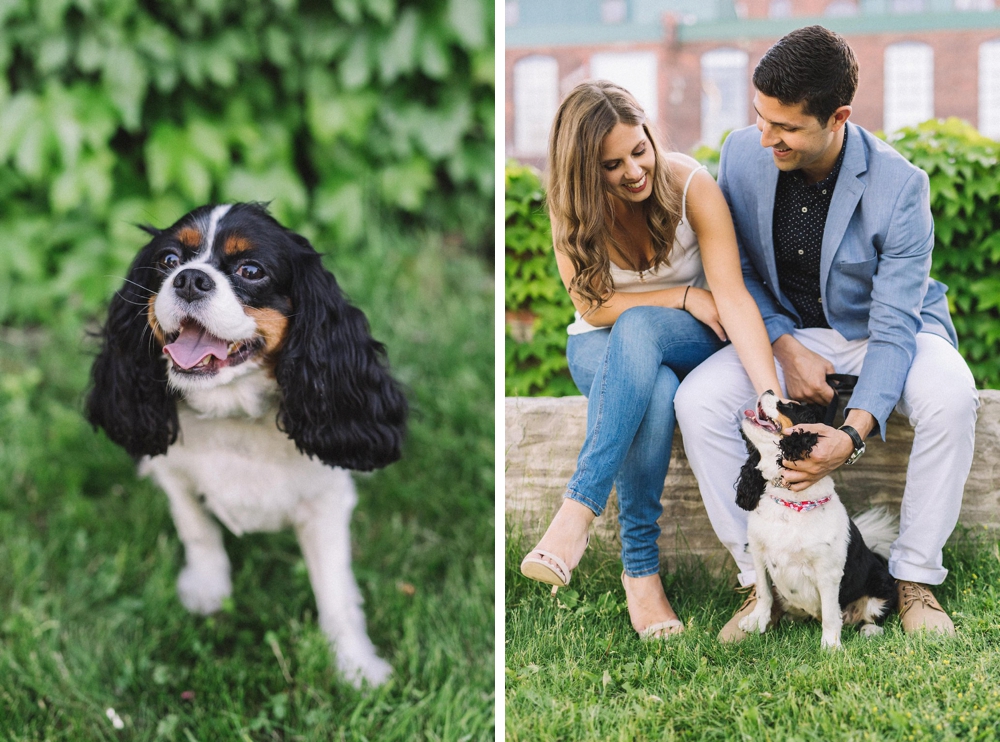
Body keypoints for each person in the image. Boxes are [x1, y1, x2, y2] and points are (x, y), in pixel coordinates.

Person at [674, 26, 979, 642]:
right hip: (786, 333)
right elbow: (740, 274)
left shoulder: (901, 187)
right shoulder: (740, 154)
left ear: (838, 117)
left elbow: (895, 327)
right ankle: (757, 585)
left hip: (884, 332)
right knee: (697, 400)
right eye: (761, 118)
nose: (766, 138)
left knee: (951, 398)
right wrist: (784, 346)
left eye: (785, 128)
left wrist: (852, 436)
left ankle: (915, 577)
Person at [518, 81, 783, 640]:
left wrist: (768, 395)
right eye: (612, 165)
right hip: (599, 341)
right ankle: (641, 576)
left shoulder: (690, 185)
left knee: (641, 328)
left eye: (640, 150)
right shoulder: (570, 210)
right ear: (586, 172)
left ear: (650, 137)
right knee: (656, 391)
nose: (634, 171)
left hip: (689, 337)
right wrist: (682, 293)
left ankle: (576, 516)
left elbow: (732, 298)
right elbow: (592, 308)